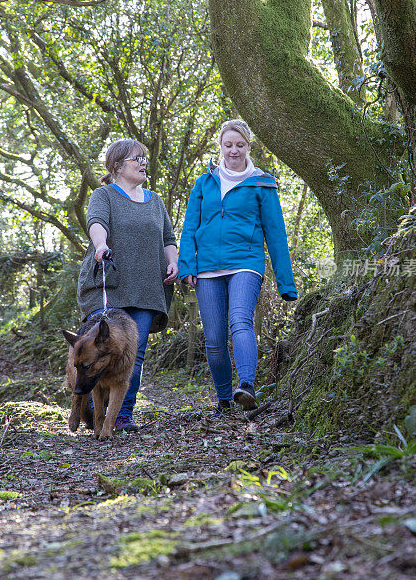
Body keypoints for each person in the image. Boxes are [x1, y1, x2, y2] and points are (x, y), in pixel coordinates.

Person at [178, 119, 297, 417]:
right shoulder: (204, 183)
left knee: (240, 320)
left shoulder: (262, 183)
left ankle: (246, 386)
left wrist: (286, 283)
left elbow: (276, 234)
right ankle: (223, 401)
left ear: (249, 146)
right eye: (228, 145)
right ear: (220, 146)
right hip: (206, 268)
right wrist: (186, 266)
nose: (234, 151)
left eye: (240, 145)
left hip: (246, 262)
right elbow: (189, 227)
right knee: (214, 337)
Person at [77, 138, 178, 431]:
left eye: (144, 157)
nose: (144, 162)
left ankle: (122, 415)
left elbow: (168, 240)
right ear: (118, 166)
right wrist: (100, 245)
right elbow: (96, 222)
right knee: (100, 348)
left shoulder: (155, 201)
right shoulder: (104, 194)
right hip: (111, 283)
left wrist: (173, 261)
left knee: (136, 352)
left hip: (148, 287)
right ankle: (95, 413)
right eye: (137, 158)